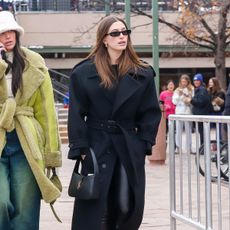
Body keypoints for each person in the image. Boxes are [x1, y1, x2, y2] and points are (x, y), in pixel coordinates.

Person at [68, 15, 161, 230]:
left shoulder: (142, 73)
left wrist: (143, 143)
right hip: (96, 145)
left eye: (125, 32)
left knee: (127, 206)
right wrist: (81, 149)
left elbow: (150, 112)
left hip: (128, 145)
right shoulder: (83, 73)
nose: (122, 37)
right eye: (115, 33)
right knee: (96, 208)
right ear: (104, 39)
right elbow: (76, 113)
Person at [0, 11, 62, 230]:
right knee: (1, 202)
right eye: (1, 33)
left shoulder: (33, 61)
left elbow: (46, 110)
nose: (7, 37)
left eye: (11, 32)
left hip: (26, 139)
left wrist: (51, 154)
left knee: (26, 206)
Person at [188, 73, 212, 146]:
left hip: (202, 115)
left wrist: (191, 100)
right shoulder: (199, 89)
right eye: (195, 81)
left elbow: (201, 102)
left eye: (198, 80)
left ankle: (203, 148)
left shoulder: (202, 90)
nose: (196, 82)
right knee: (202, 133)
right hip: (200, 115)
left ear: (201, 81)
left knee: (203, 133)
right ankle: (202, 147)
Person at [172, 74, 194, 152]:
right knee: (178, 131)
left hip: (188, 112)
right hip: (179, 112)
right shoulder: (177, 90)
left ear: (188, 81)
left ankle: (189, 148)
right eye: (182, 81)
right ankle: (178, 148)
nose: (183, 83)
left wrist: (186, 95)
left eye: (185, 81)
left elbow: (192, 100)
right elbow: (174, 102)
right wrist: (179, 96)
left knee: (188, 130)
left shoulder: (191, 89)